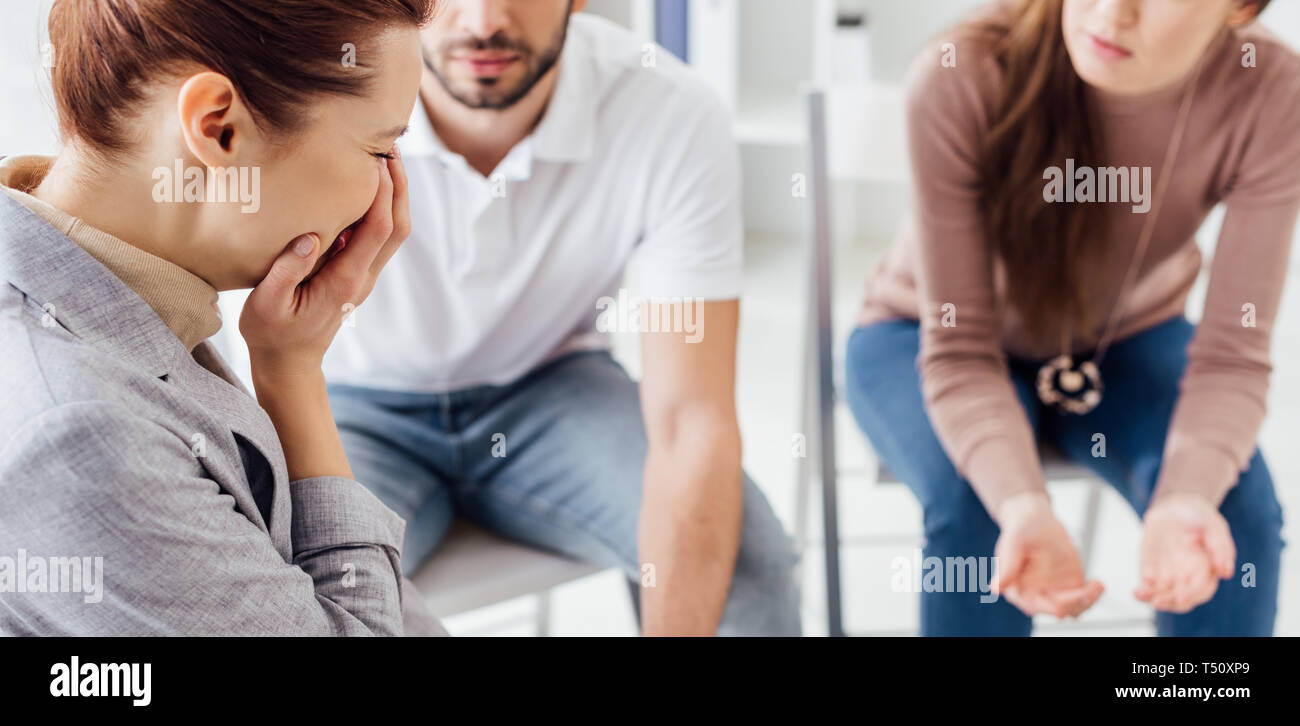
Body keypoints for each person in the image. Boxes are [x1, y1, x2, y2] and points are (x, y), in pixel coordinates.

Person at [306, 0, 801, 635]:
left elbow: (692, 420)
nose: (484, 20)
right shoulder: (323, 89)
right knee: (308, 586)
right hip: (347, 403)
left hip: (552, 388)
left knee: (746, 565)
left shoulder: (668, 109)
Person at [846, 0, 1297, 635]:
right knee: (979, 515)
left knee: (1229, 523)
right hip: (920, 334)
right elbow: (961, 350)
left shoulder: (1274, 96)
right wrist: (1023, 503)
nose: (1113, 13)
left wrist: (1185, 496)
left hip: (1123, 337)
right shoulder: (963, 72)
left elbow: (1232, 357)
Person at [0, 0, 446, 636]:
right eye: (380, 150)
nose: (388, 198)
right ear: (218, 128)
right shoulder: (76, 428)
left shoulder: (129, 287)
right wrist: (294, 379)